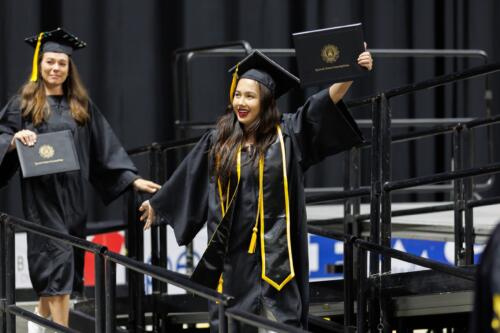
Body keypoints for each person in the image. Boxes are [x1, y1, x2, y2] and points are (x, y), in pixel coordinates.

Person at [139, 49, 373, 332]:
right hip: (233, 267)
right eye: (237, 95)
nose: (241, 102)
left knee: (280, 325)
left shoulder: (286, 135)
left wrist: (350, 72)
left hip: (277, 268)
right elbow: (191, 177)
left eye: (249, 96)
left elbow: (322, 106)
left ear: (265, 101)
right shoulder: (219, 142)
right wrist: (160, 206)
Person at [0, 28, 161, 331]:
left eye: (62, 63)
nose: (55, 68)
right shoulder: (23, 103)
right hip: (41, 198)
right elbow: (3, 135)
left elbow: (105, 147)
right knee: (58, 260)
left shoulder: (80, 105)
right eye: (50, 62)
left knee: (64, 266)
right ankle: (62, 328)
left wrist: (131, 180)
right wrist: (13, 140)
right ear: (40, 63)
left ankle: (38, 318)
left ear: (69, 67)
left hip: (73, 199)